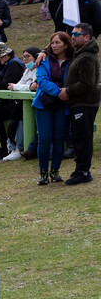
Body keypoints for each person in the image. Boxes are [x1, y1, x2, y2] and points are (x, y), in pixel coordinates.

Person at [32, 30, 72, 184]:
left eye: (58, 42)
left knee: (58, 138)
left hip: (62, 106)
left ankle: (55, 171)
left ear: (66, 45)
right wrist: (60, 92)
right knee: (44, 138)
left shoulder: (72, 60)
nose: (54, 45)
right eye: (52, 42)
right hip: (45, 103)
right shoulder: (44, 60)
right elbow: (41, 80)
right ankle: (43, 173)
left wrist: (66, 93)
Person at [62, 22, 99, 184]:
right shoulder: (79, 53)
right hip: (79, 103)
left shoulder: (87, 57)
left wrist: (68, 91)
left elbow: (87, 83)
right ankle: (80, 170)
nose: (72, 36)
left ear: (87, 37)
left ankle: (83, 172)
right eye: (72, 33)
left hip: (85, 103)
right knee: (78, 136)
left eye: (76, 34)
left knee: (83, 138)